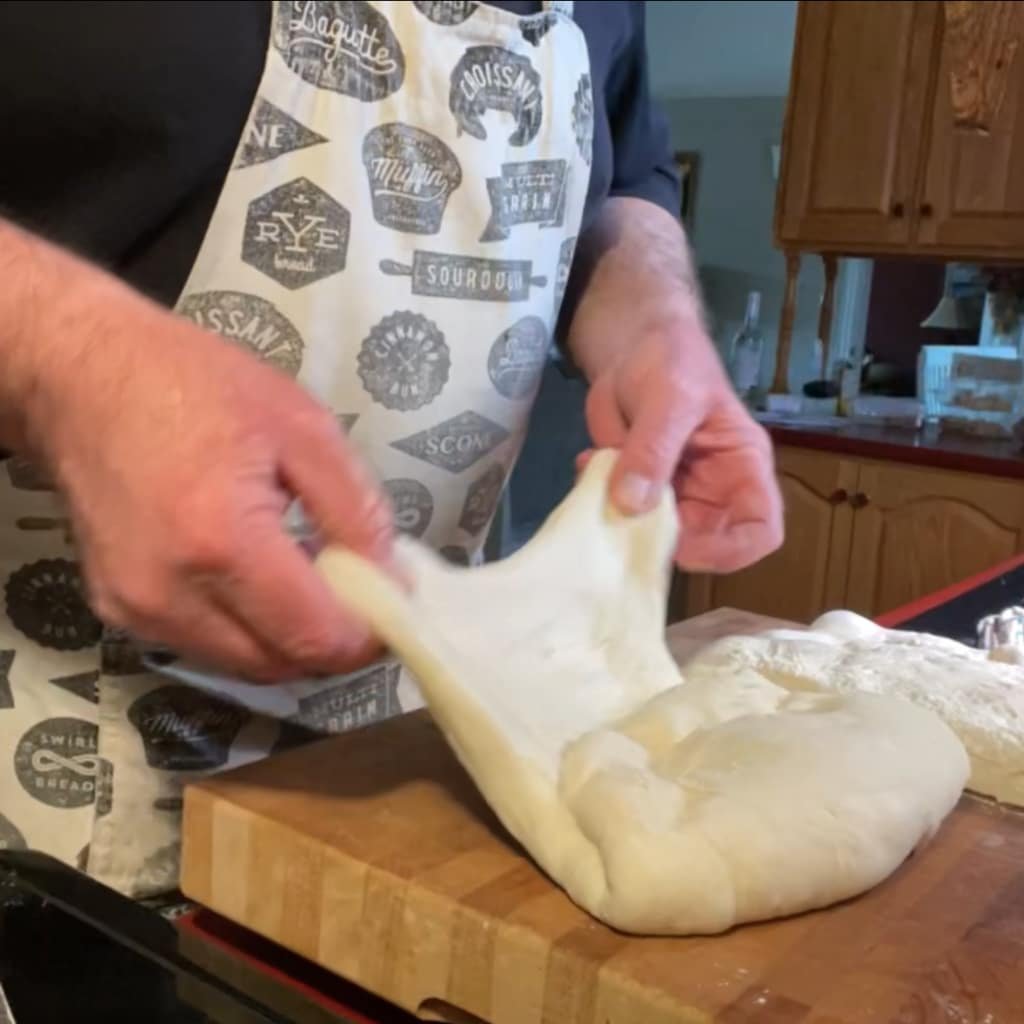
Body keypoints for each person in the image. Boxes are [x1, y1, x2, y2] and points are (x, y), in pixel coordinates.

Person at [0, 0, 783, 896]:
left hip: (407, 765)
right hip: (39, 779)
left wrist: (655, 324)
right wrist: (59, 354)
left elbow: (624, 182)